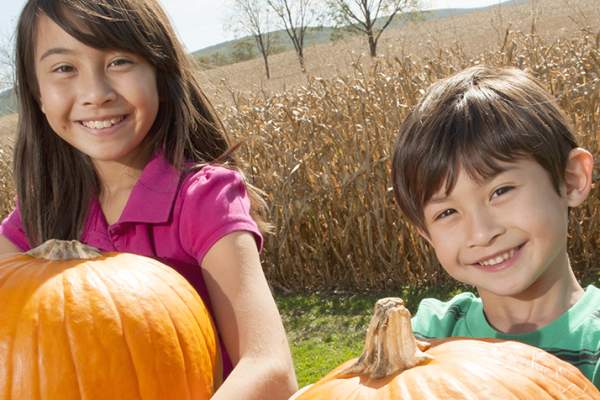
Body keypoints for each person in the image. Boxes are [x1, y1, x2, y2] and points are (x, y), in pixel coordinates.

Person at [0, 1, 297, 398]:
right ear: (37, 94)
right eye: (64, 68)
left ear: (161, 72)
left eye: (119, 61)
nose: (95, 94)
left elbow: (269, 368)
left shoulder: (202, 199)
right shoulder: (42, 211)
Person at [391, 65, 600, 386]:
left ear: (571, 179)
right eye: (447, 213)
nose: (481, 233)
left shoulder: (594, 347)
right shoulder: (425, 338)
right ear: (425, 232)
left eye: (500, 192)